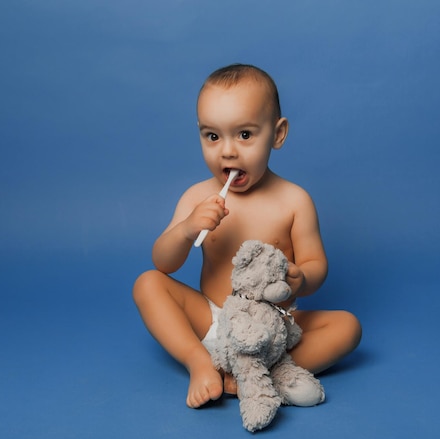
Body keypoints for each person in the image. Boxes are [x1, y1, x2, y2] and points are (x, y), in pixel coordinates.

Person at [133, 64, 362, 408]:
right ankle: (199, 362)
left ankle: (261, 373)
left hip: (273, 329)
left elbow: (316, 265)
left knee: (348, 327)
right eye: (213, 136)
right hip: (212, 319)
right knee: (147, 284)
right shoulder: (197, 197)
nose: (227, 151)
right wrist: (187, 228)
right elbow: (163, 262)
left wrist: (301, 280)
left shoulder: (294, 200)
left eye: (244, 135)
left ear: (278, 134)